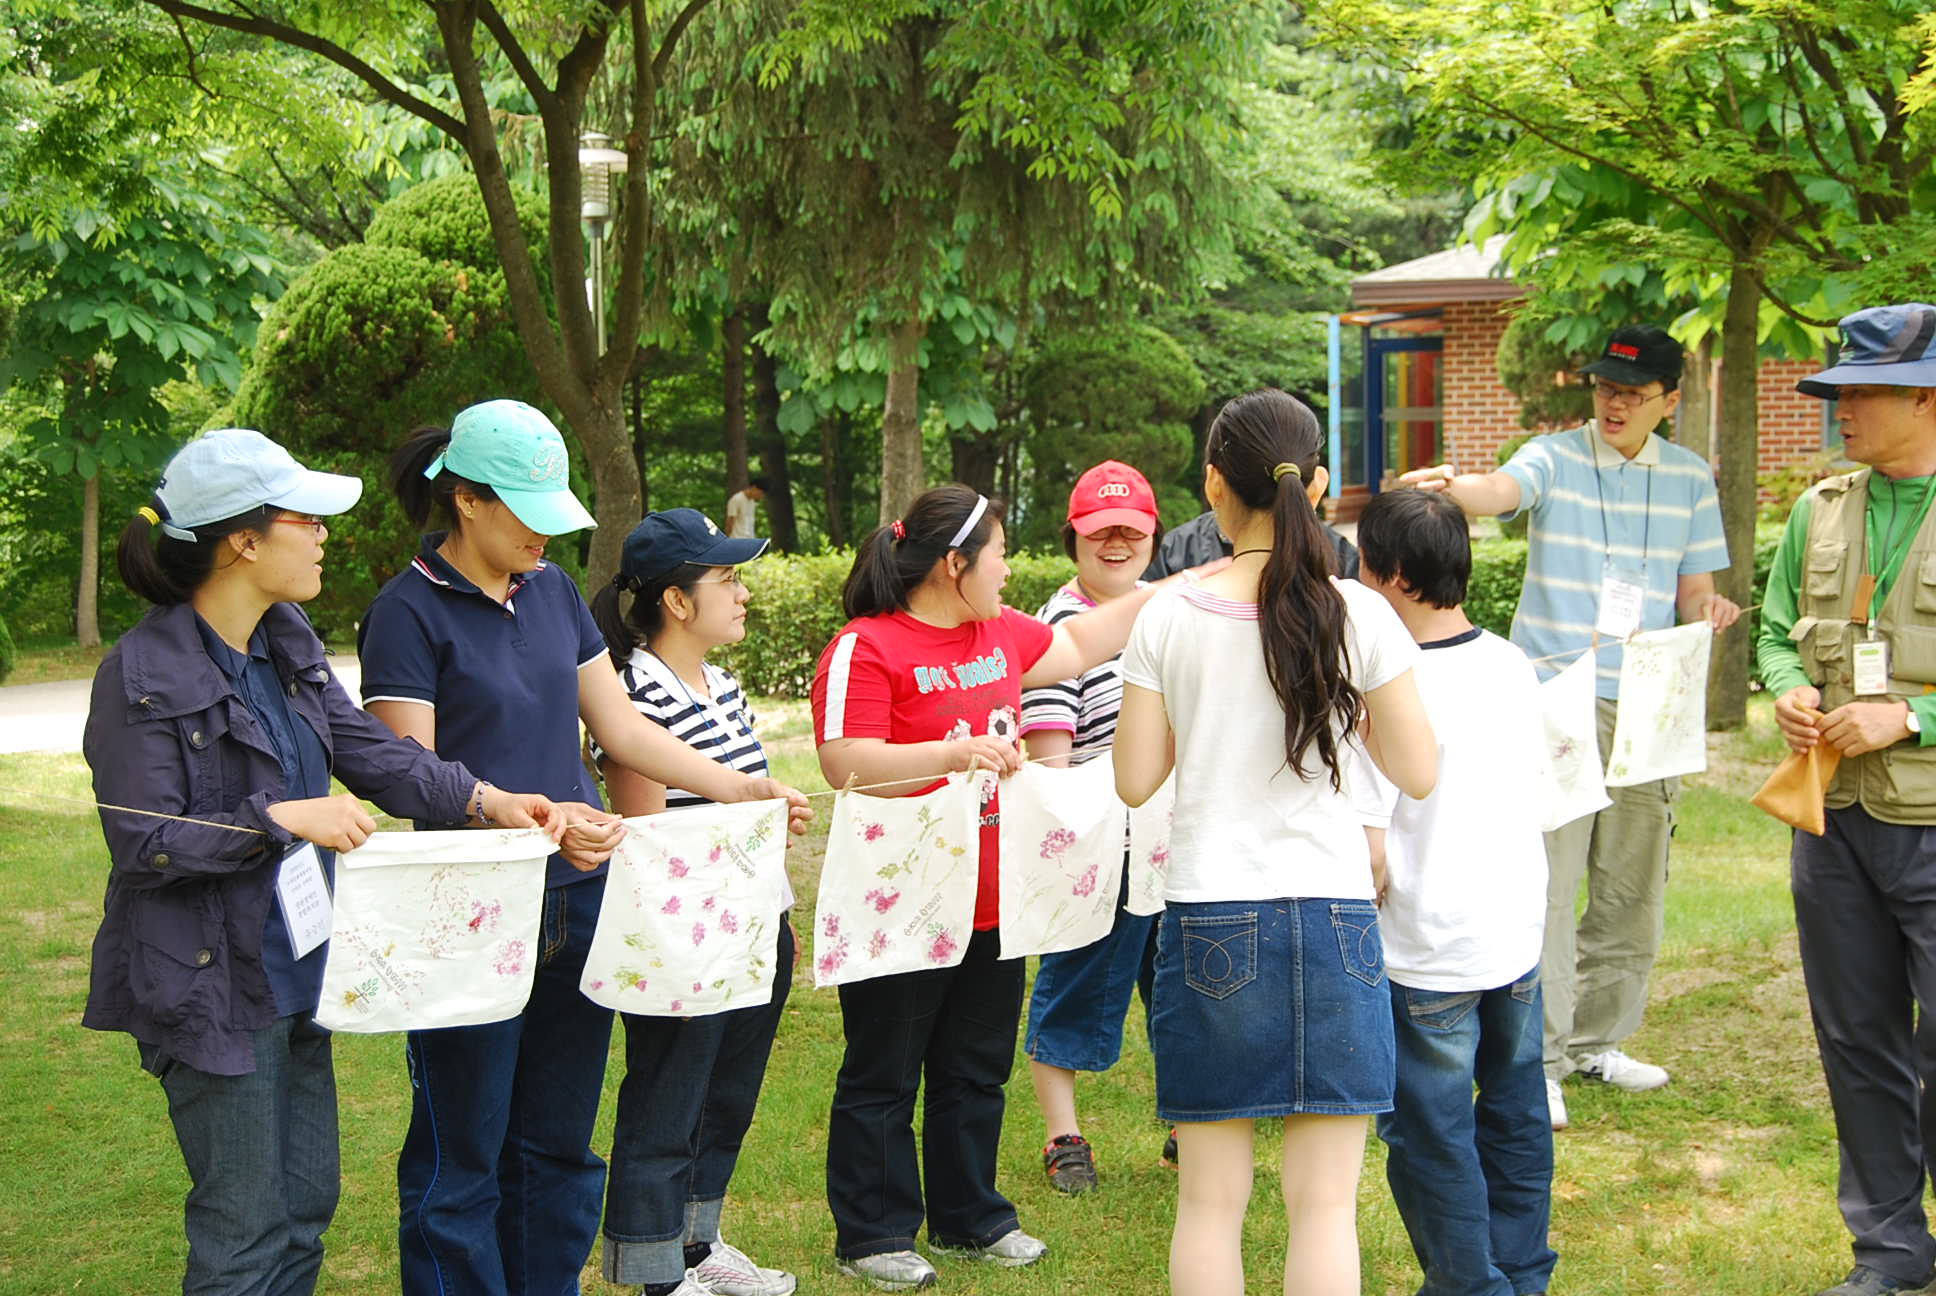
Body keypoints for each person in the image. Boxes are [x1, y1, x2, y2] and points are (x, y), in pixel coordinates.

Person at [81, 428, 565, 1296]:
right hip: (212, 986)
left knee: (306, 1207)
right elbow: (145, 840)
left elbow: (368, 749)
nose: (324, 535)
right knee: (245, 1232)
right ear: (244, 540)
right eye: (306, 519)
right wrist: (279, 819)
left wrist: (486, 798)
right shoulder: (140, 672)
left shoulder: (285, 638)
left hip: (301, 969)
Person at [357, 400, 809, 1296]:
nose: (545, 535)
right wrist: (524, 816)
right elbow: (409, 774)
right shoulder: (405, 612)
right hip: (470, 909)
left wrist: (738, 787)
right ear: (468, 501)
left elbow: (624, 730)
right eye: (527, 512)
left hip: (578, 899)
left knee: (558, 1145)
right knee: (463, 1152)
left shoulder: (554, 591)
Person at [810, 484, 1220, 1291]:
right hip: (901, 905)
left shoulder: (999, 633)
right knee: (884, 1073)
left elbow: (1086, 638)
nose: (1007, 568)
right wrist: (952, 753)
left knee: (974, 1066)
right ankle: (873, 1234)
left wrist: (1196, 581)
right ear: (953, 563)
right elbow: (843, 761)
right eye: (998, 553)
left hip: (992, 899)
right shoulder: (867, 645)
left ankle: (971, 1218)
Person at [1114, 388, 1439, 1296]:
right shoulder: (1358, 612)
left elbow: (1134, 779)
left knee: (1210, 1204)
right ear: (1317, 484)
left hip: (1211, 917)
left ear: (1214, 484)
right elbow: (1419, 770)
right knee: (1326, 1207)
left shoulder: (1169, 615)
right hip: (1336, 919)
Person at [1402, 324, 1740, 1129]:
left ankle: (1599, 1041)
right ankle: (1541, 1060)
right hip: (1556, 697)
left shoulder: (1690, 480)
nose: (1615, 403)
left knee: (1632, 883)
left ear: (1669, 400)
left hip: (1648, 704)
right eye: (1605, 387)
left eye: (1633, 392)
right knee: (1548, 883)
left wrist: (1710, 609)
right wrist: (1452, 486)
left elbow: (1694, 590)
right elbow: (1502, 490)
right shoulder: (1554, 457)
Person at [1758, 303, 1936, 1296]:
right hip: (1832, 821)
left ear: (1926, 397)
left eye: (1861, 392)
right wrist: (1786, 686)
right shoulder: (1818, 508)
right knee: (1857, 1039)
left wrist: (1910, 718)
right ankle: (1890, 1249)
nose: (1842, 410)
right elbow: (1776, 627)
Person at [587, 507, 798, 1296]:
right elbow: (648, 835)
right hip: (685, 936)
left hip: (754, 920)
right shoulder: (634, 691)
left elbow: (738, 800)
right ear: (677, 601)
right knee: (669, 1096)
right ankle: (655, 1268)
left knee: (726, 1095)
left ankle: (697, 1244)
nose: (743, 595)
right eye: (728, 579)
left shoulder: (725, 688)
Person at [1353, 488, 1558, 1296]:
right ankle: (1522, 1275)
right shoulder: (1512, 662)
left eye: (1365, 565)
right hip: (1515, 935)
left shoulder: (1386, 681)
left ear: (1397, 575)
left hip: (1427, 946)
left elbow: (1371, 850)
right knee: (1515, 1112)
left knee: (1431, 1135)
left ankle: (1471, 1286)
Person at [1017, 460, 1164, 1193]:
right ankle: (1062, 1135)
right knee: (1075, 984)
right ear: (1072, 536)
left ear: (1153, 535)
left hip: (1175, 843)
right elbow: (1051, 759)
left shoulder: (1169, 612)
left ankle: (1191, 1121)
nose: (1116, 543)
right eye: (1100, 530)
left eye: (1130, 530)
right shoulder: (1060, 627)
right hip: (1099, 844)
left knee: (1187, 989)